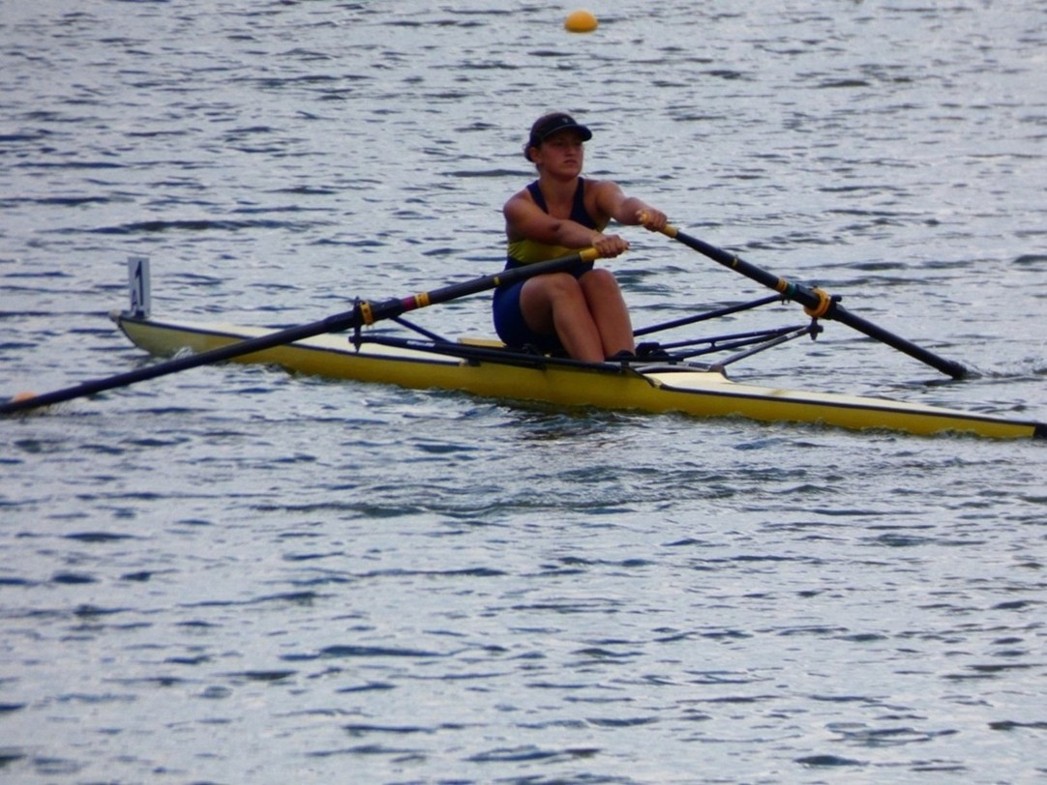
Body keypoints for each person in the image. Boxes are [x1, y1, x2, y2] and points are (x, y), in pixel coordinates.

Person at [493, 112, 668, 362]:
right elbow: (557, 230)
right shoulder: (519, 206)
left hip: (579, 313)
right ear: (536, 154)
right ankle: (597, 370)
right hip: (521, 317)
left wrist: (645, 212)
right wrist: (594, 238)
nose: (571, 152)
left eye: (577, 145)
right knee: (561, 283)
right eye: (559, 144)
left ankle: (624, 362)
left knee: (601, 278)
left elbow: (623, 205)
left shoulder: (598, 192)